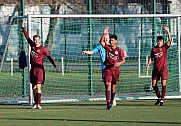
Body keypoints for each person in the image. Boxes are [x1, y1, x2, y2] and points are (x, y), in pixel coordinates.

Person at [21, 20, 60, 109]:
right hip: (33, 69)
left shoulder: (43, 49)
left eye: (38, 40)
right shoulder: (32, 46)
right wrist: (23, 28)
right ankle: (35, 103)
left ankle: (38, 104)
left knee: (38, 87)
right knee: (33, 87)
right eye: (35, 40)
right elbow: (27, 37)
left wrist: (55, 66)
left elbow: (49, 57)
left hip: (40, 70)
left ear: (40, 40)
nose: (36, 41)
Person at [82, 33, 117, 106]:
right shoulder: (100, 47)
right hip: (104, 69)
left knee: (112, 85)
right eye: (104, 38)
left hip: (111, 69)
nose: (106, 39)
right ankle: (109, 99)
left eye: (107, 38)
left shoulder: (112, 47)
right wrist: (86, 52)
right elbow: (92, 52)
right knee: (107, 86)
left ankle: (113, 99)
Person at [100, 26, 127, 110]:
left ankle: (112, 101)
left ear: (116, 41)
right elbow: (101, 42)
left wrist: (119, 63)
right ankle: (108, 103)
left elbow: (123, 60)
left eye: (112, 40)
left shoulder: (119, 50)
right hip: (108, 69)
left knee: (113, 87)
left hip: (115, 70)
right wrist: (104, 34)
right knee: (108, 85)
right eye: (110, 40)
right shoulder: (108, 47)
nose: (111, 42)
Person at [146, 25, 172, 106]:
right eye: (158, 41)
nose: (159, 42)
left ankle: (162, 100)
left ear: (162, 41)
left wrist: (168, 31)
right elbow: (151, 57)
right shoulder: (154, 49)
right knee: (154, 84)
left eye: (160, 41)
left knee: (163, 84)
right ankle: (159, 97)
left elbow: (170, 40)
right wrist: (148, 65)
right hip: (155, 69)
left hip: (163, 68)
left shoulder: (164, 47)